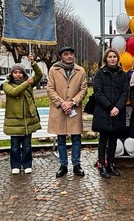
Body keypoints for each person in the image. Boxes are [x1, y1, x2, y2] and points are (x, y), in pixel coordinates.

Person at [47, 46, 88, 178]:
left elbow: (84, 89)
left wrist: (73, 102)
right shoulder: (54, 69)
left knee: (76, 138)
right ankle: (63, 165)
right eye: (66, 54)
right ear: (61, 56)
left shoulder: (80, 70)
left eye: (71, 54)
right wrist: (62, 103)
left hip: (74, 108)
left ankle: (76, 164)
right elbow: (50, 88)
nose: (69, 56)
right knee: (61, 139)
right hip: (59, 109)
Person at [92, 48, 130, 178]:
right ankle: (102, 165)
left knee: (113, 140)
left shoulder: (123, 74)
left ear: (118, 59)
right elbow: (98, 92)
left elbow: (125, 93)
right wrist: (110, 107)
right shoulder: (100, 73)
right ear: (105, 59)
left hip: (117, 111)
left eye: (114, 57)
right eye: (110, 57)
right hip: (104, 111)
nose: (112, 59)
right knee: (103, 140)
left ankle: (111, 164)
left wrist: (117, 108)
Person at [3, 54, 43, 175]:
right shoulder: (6, 84)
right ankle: (15, 165)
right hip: (14, 121)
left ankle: (27, 164)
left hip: (27, 121)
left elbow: (39, 75)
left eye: (20, 72)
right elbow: (14, 92)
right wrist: (26, 83)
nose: (18, 74)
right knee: (14, 146)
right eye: (15, 72)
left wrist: (34, 63)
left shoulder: (29, 83)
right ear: (11, 74)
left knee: (27, 145)